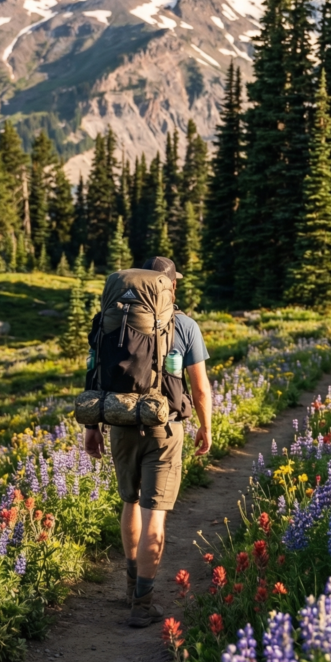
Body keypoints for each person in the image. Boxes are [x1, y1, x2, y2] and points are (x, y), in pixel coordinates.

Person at [83, 255, 212, 627]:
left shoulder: (108, 319)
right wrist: (206, 426)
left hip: (120, 421)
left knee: (130, 501)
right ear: (171, 286)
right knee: (154, 513)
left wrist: (92, 426)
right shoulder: (185, 325)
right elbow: (200, 388)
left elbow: (95, 372)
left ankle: (128, 584)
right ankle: (143, 602)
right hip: (164, 426)